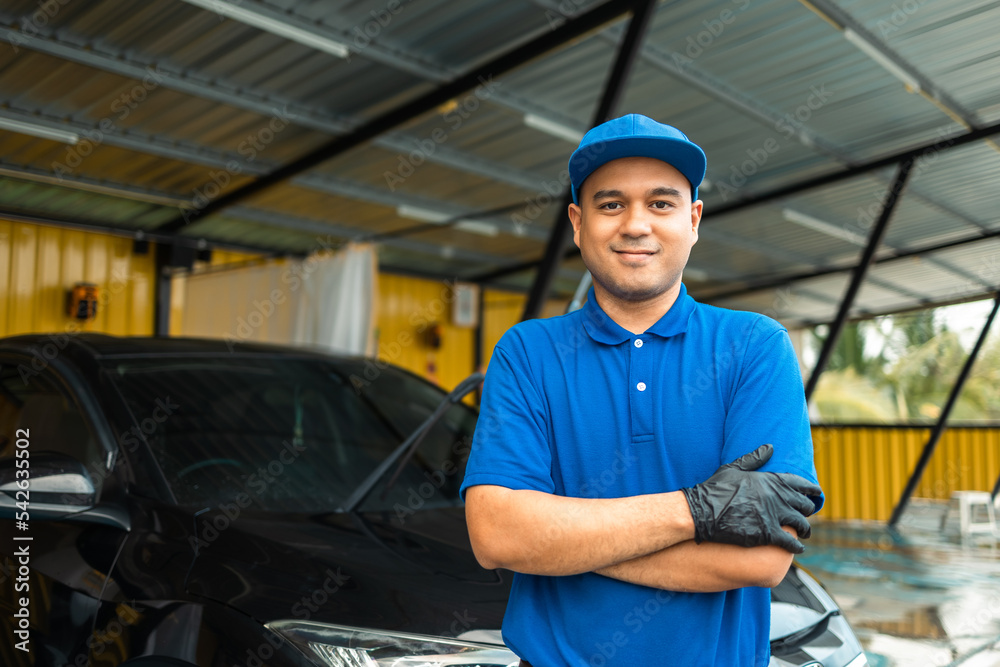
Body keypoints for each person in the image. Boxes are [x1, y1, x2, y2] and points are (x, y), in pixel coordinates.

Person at [461, 113, 824, 667]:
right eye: (611, 204)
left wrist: (557, 542)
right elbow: (497, 538)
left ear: (694, 219)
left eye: (661, 203)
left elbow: (762, 561)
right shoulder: (529, 352)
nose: (636, 224)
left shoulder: (754, 346)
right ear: (578, 223)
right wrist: (696, 511)